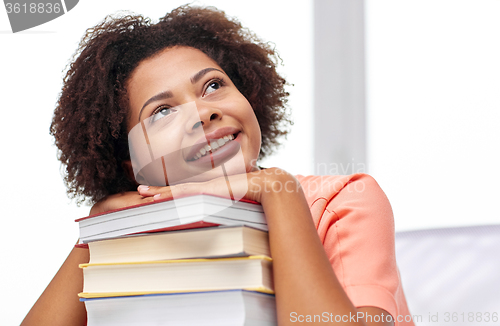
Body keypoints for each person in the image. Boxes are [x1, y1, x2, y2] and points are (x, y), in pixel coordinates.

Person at [21, 5, 414, 326]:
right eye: (162, 111)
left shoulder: (342, 202)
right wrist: (99, 232)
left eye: (213, 85)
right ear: (130, 163)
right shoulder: (129, 233)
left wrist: (278, 190)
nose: (204, 113)